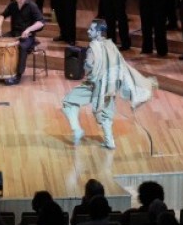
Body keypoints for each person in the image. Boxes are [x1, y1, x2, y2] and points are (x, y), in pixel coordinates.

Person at [61, 19, 157, 149]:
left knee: (69, 101)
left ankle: (76, 129)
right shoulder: (111, 45)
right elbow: (120, 64)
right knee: (106, 112)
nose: (88, 31)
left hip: (95, 86)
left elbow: (89, 66)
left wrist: (85, 66)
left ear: (99, 32)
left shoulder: (93, 47)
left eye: (91, 29)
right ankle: (109, 141)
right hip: (110, 86)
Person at [0, 0, 45, 86]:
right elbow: (2, 15)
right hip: (14, 33)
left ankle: (17, 75)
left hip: (28, 37)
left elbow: (41, 22)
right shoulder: (12, 5)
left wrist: (28, 29)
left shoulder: (31, 6)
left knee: (21, 47)